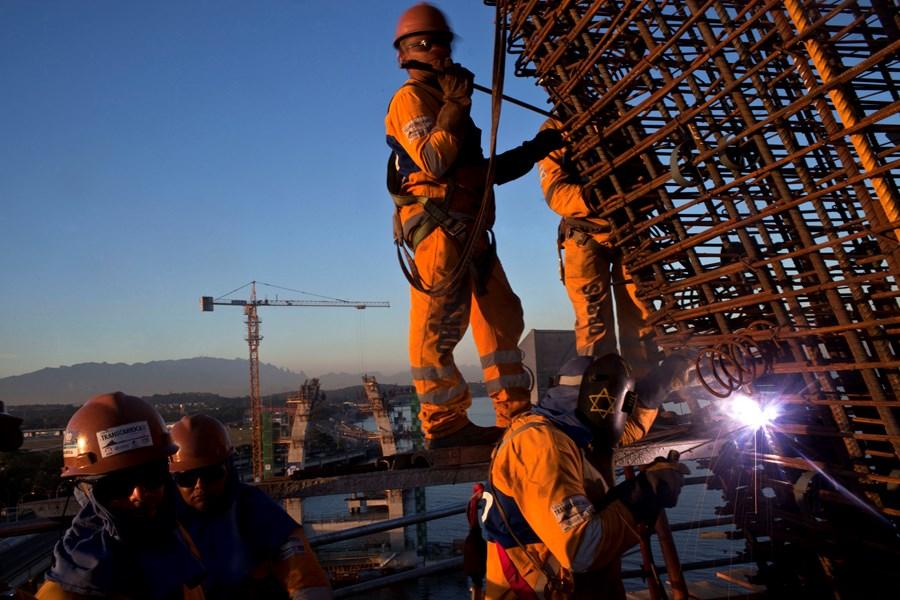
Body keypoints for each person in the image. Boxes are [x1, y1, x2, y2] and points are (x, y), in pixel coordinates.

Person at [385, 3, 563, 448]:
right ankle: (445, 424)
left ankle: (514, 413)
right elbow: (432, 159)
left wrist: (538, 147)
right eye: (440, 44)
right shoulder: (411, 99)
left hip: (470, 229)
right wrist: (456, 103)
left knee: (502, 319)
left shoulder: (446, 101)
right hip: (439, 228)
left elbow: (483, 172)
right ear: (420, 48)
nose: (448, 53)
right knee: (439, 325)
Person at [482, 354, 688, 599]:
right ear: (598, 403)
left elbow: (625, 429)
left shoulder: (573, 430)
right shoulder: (542, 446)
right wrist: (644, 493)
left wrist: (659, 384)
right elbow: (581, 550)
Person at [37, 392, 206, 600]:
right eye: (117, 485)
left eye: (152, 476)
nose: (139, 495)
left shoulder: (174, 541)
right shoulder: (67, 591)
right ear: (85, 490)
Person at [536, 118, 662, 379]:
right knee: (594, 322)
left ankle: (644, 397)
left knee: (641, 318)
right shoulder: (557, 128)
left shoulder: (624, 121)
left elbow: (651, 173)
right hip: (585, 235)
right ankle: (603, 397)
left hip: (631, 231)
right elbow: (555, 193)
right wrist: (594, 194)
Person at [169, 414, 332, 600]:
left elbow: (307, 582)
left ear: (228, 469)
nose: (200, 486)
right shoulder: (164, 523)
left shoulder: (257, 511)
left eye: (211, 474)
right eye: (186, 478)